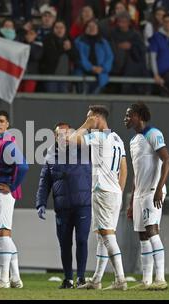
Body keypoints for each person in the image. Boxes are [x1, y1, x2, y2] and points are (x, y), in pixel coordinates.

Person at [70, 105, 128, 291]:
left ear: (97, 117)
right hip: (114, 192)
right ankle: (96, 280)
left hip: (102, 190)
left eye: (90, 117)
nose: (88, 120)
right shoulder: (117, 138)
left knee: (107, 235)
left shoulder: (99, 136)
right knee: (104, 235)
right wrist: (119, 189)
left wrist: (86, 124)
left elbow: (71, 140)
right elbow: (124, 167)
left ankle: (120, 279)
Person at [36, 122, 91, 289]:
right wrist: (41, 203)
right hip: (62, 207)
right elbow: (44, 182)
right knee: (65, 244)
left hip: (83, 205)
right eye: (61, 134)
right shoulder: (50, 155)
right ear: (55, 136)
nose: (64, 137)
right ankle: (68, 279)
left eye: (68, 134)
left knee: (82, 240)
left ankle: (81, 277)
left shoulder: (84, 150)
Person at [123, 102, 169, 290]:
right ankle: (146, 281)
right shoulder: (134, 140)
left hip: (153, 191)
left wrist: (159, 188)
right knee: (142, 235)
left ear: (139, 116)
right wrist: (131, 200)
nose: (125, 119)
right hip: (139, 193)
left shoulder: (154, 134)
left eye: (129, 115)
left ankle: (160, 279)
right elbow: (137, 172)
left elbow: (167, 159)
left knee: (152, 231)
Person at [0, 110, 29, 289]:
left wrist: (12, 186)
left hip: (2, 193)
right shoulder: (0, 142)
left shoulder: (7, 143)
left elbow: (23, 165)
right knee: (5, 234)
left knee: (1, 233)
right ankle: (15, 278)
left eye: (1, 121)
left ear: (8, 124)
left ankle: (4, 279)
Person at [74, 20, 113, 94]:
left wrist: (103, 68)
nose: (92, 28)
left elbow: (109, 57)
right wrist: (91, 68)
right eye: (89, 26)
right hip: (83, 73)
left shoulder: (103, 42)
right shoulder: (79, 41)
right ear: (85, 28)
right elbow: (80, 57)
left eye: (94, 26)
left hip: (100, 74)